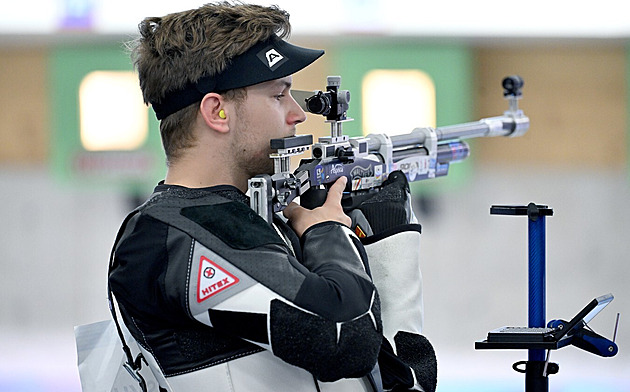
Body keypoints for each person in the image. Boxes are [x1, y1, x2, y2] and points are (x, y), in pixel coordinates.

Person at [108, 2, 436, 391]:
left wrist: (384, 250)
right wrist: (330, 232)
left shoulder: (258, 220)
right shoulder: (166, 236)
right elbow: (345, 338)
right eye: (279, 95)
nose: (298, 113)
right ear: (217, 112)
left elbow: (397, 382)